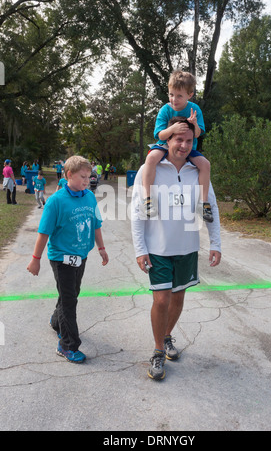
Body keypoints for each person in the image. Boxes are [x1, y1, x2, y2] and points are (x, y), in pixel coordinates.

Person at [131, 118, 221, 380]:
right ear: (167, 140)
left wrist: (215, 243)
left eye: (189, 141)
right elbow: (137, 212)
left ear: (194, 144)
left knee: (178, 299)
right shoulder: (150, 169)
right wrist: (140, 248)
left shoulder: (199, 171)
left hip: (188, 247)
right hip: (158, 248)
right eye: (178, 139)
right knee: (162, 299)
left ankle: (166, 336)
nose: (183, 145)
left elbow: (211, 207)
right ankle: (158, 351)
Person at [27, 156, 109, 363]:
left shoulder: (89, 196)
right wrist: (35, 259)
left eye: (89, 177)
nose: (87, 180)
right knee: (70, 300)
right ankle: (67, 345)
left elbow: (96, 224)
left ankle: (57, 321)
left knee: (71, 293)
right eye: (82, 177)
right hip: (61, 258)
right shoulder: (55, 201)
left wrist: (101, 248)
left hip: (80, 256)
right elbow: (43, 233)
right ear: (69, 175)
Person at [142, 70, 213, 223]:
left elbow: (198, 134)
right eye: (171, 94)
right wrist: (172, 130)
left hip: (188, 148)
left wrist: (194, 124)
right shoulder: (165, 110)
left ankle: (203, 203)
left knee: (205, 164)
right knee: (151, 158)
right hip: (166, 146)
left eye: (179, 96)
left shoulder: (195, 110)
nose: (174, 99)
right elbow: (160, 135)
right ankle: (147, 200)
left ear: (190, 94)